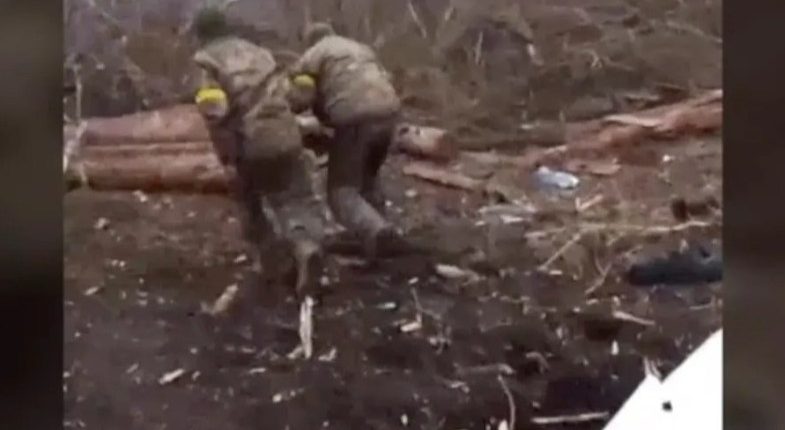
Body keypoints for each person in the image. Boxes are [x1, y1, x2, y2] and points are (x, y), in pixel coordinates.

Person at [191, 8, 324, 297]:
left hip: (250, 143)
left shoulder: (208, 63)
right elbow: (292, 94)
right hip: (287, 135)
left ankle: (273, 263)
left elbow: (216, 113)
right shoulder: (260, 53)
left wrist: (227, 158)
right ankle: (306, 247)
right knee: (296, 198)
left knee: (250, 204)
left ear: (200, 34)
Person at [288, 22, 403, 260]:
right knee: (367, 178)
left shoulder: (314, 54)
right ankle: (380, 235)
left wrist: (288, 110)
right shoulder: (361, 49)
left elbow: (302, 95)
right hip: (389, 114)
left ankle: (377, 232)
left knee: (342, 191)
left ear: (310, 40)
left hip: (355, 117)